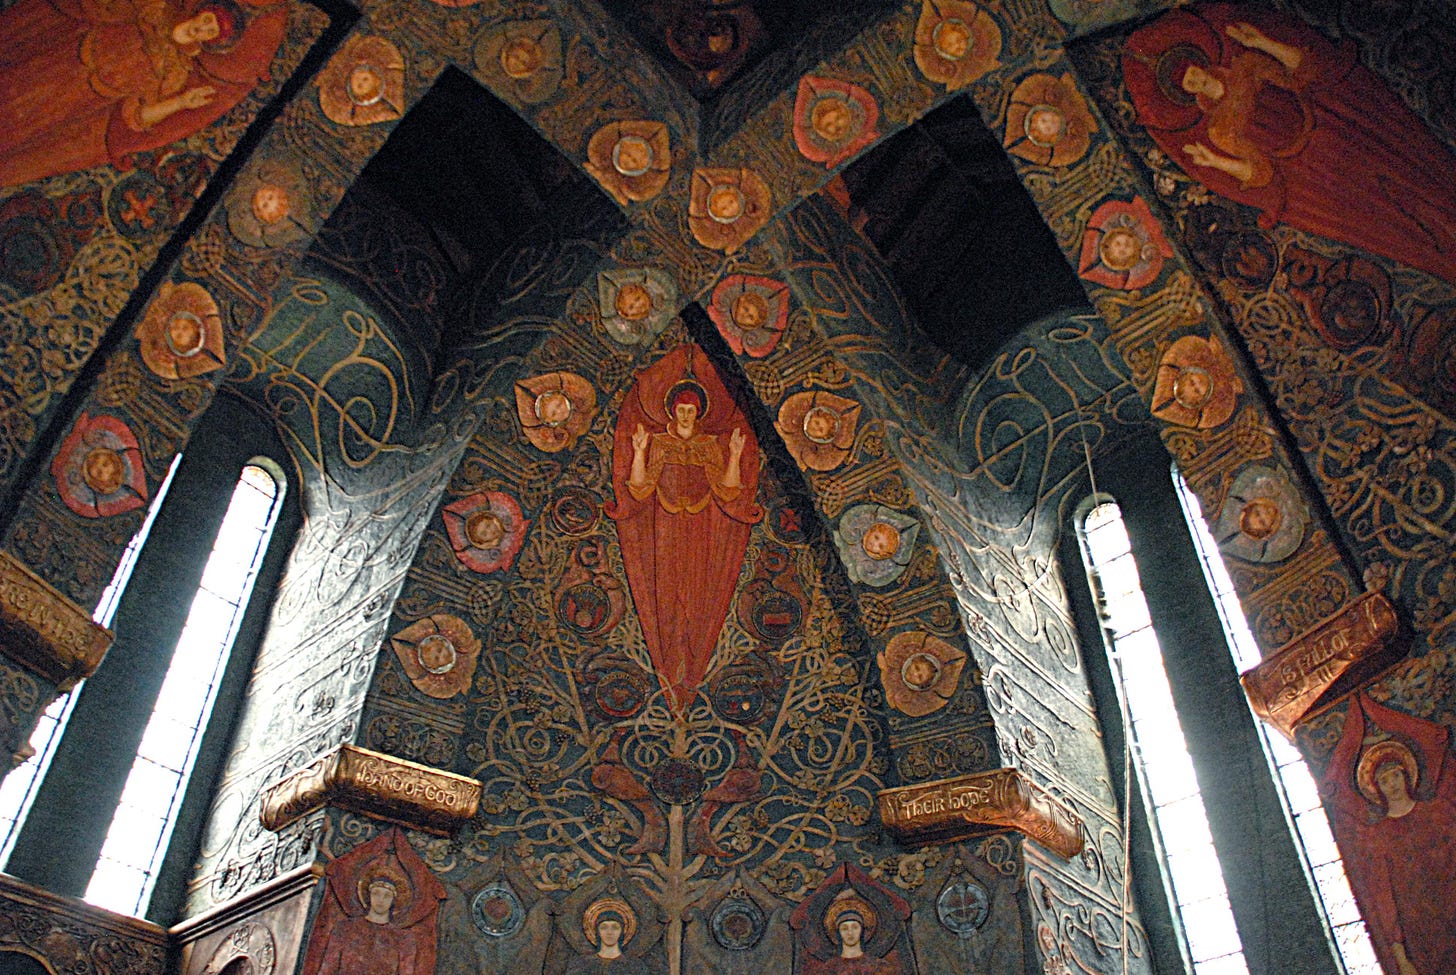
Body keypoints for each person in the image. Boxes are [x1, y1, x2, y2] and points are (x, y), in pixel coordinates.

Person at [1123, 3, 1456, 286]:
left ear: (1200, 61)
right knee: (1393, 220)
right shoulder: (1219, 131)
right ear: (1187, 94)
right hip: (1317, 169)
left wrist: (1264, 43)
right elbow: (1259, 170)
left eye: (1192, 71)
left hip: (1334, 129)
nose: (1196, 79)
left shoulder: (1246, 66)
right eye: (1188, 83)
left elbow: (1300, 74)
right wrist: (1214, 162)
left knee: (1418, 178)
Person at [609, 346, 762, 712]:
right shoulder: (660, 442)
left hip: (701, 526)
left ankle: (691, 665)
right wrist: (641, 450)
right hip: (663, 526)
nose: (687, 415)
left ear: (699, 413)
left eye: (692, 411)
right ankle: (669, 669)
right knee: (666, 590)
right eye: (681, 410)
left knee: (697, 591)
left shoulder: (710, 446)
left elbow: (728, 490)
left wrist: (737, 455)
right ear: (673, 411)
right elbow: (639, 487)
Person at [0, 0, 288, 187]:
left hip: (82, 98)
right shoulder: (157, 11)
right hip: (65, 54)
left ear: (212, 41)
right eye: (210, 19)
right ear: (204, 10)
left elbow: (137, 115)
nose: (205, 26)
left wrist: (179, 103)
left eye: (212, 31)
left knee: (17, 125)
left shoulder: (176, 70)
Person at [1323, 696, 1456, 975]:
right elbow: (1383, 896)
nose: (1392, 784)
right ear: (1375, 787)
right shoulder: (1377, 835)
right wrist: (1400, 956)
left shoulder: (1436, 812)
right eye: (1384, 780)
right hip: (1421, 934)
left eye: (1394, 776)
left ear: (1406, 774)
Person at [566, 899, 650, 974]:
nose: (609, 932)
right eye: (604, 927)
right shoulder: (582, 964)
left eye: (615, 927)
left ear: (622, 931)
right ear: (597, 931)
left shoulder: (635, 967)